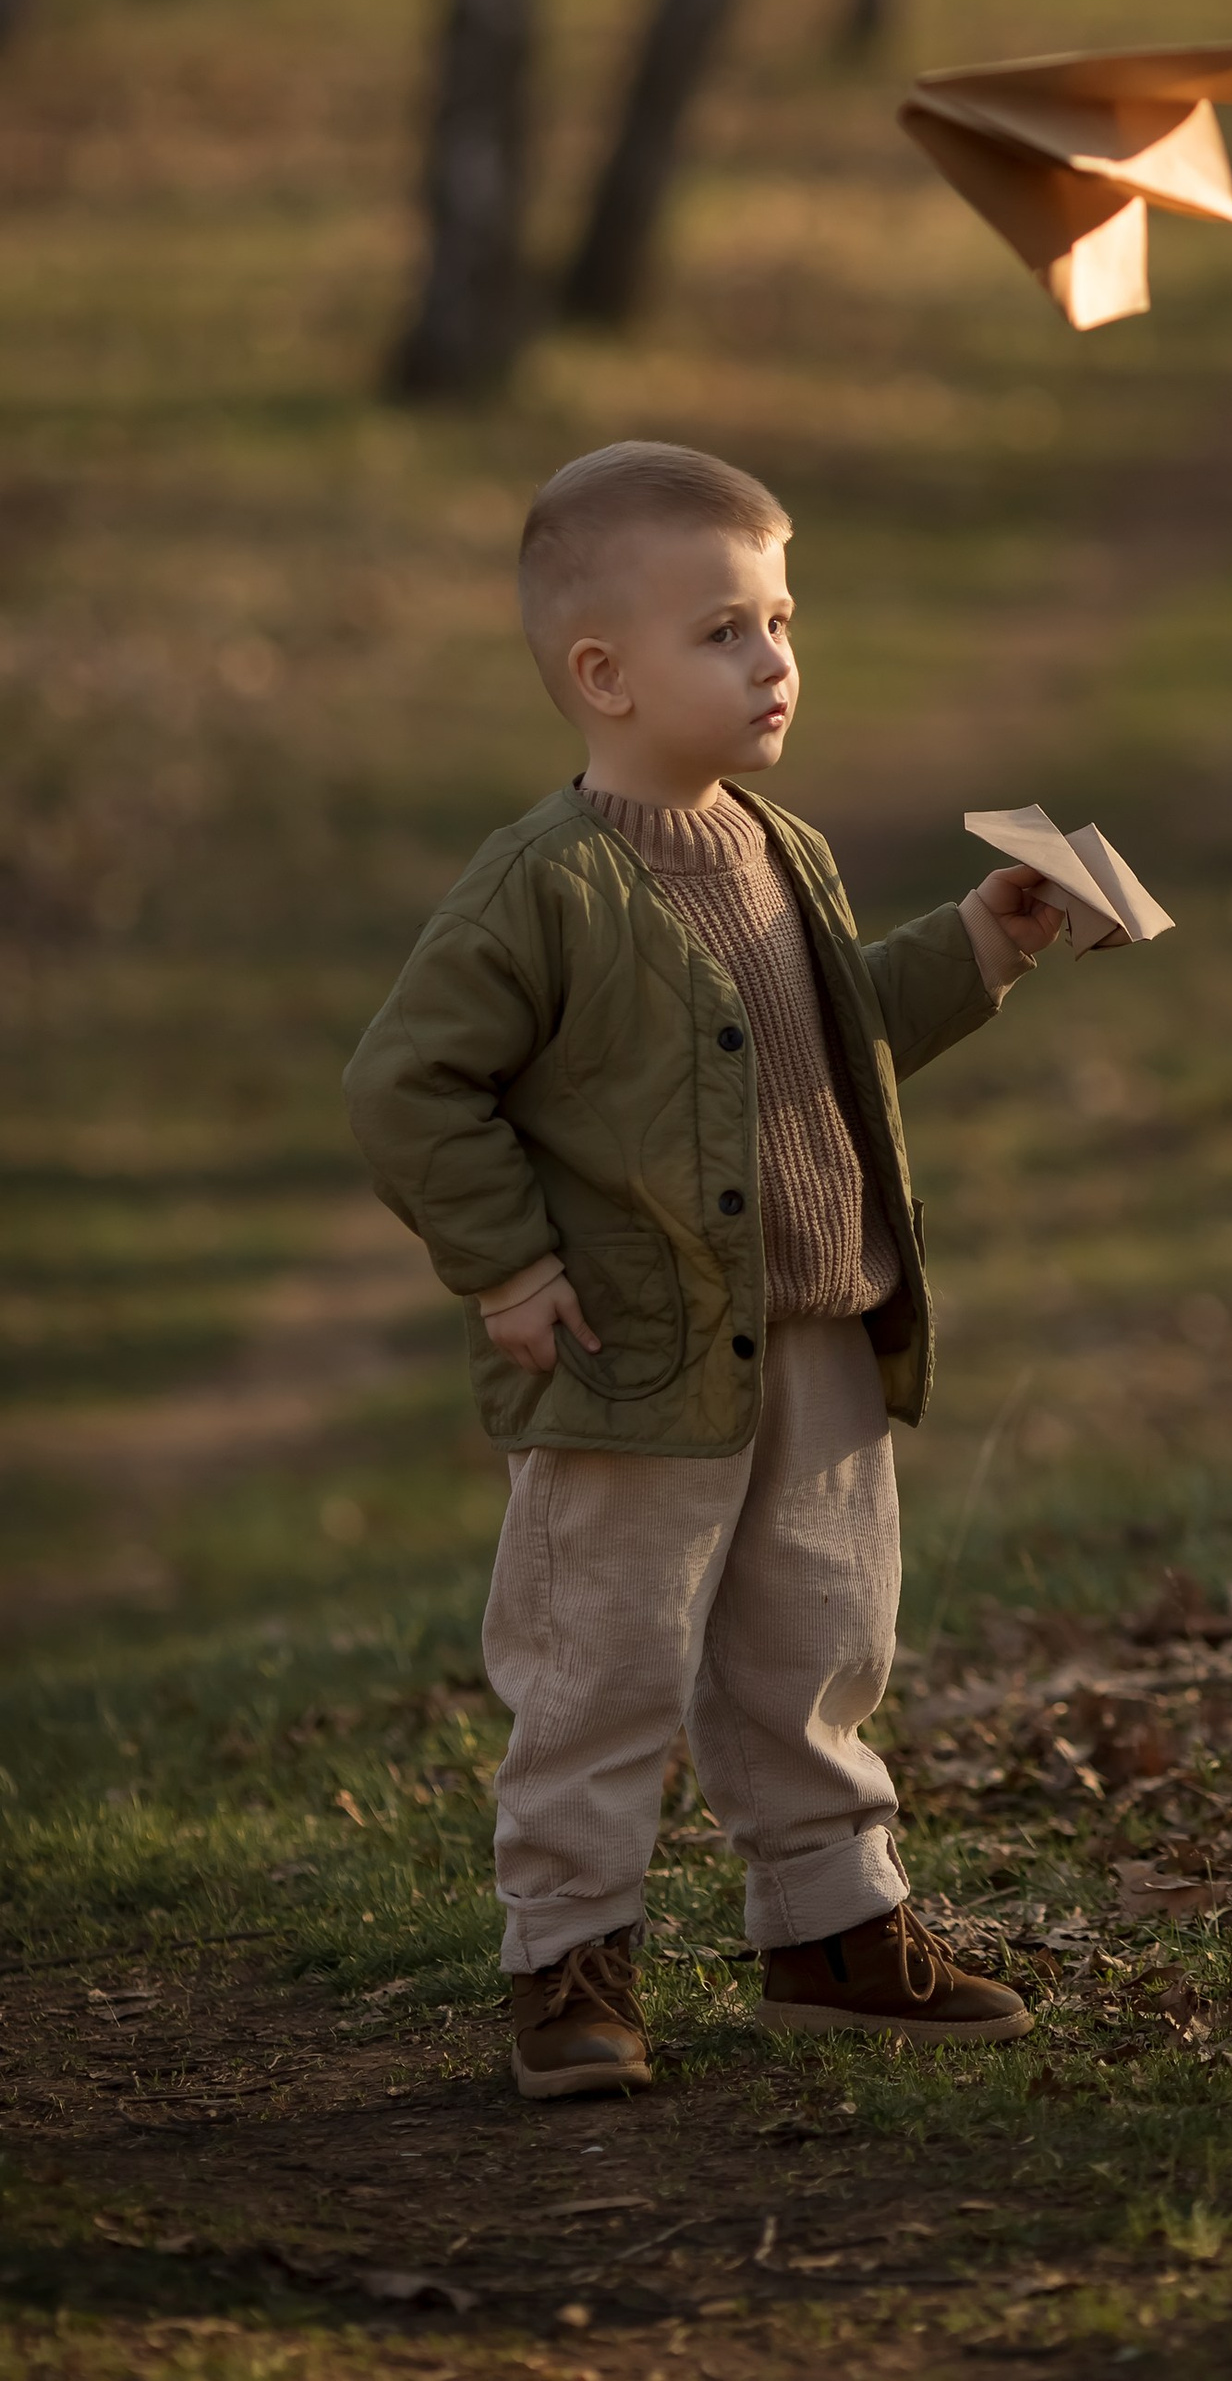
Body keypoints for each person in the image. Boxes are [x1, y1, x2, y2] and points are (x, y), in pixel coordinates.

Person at [347, 439, 1066, 2101]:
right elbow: (406, 1084)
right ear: (601, 676)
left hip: (816, 1324)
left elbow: (836, 1041)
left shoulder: (781, 848)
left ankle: (828, 1931)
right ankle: (570, 1962)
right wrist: (508, 1271)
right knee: (603, 1659)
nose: (775, 661)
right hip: (629, 1351)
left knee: (814, 1642)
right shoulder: (546, 886)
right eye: (725, 631)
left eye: (782, 620)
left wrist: (977, 944)